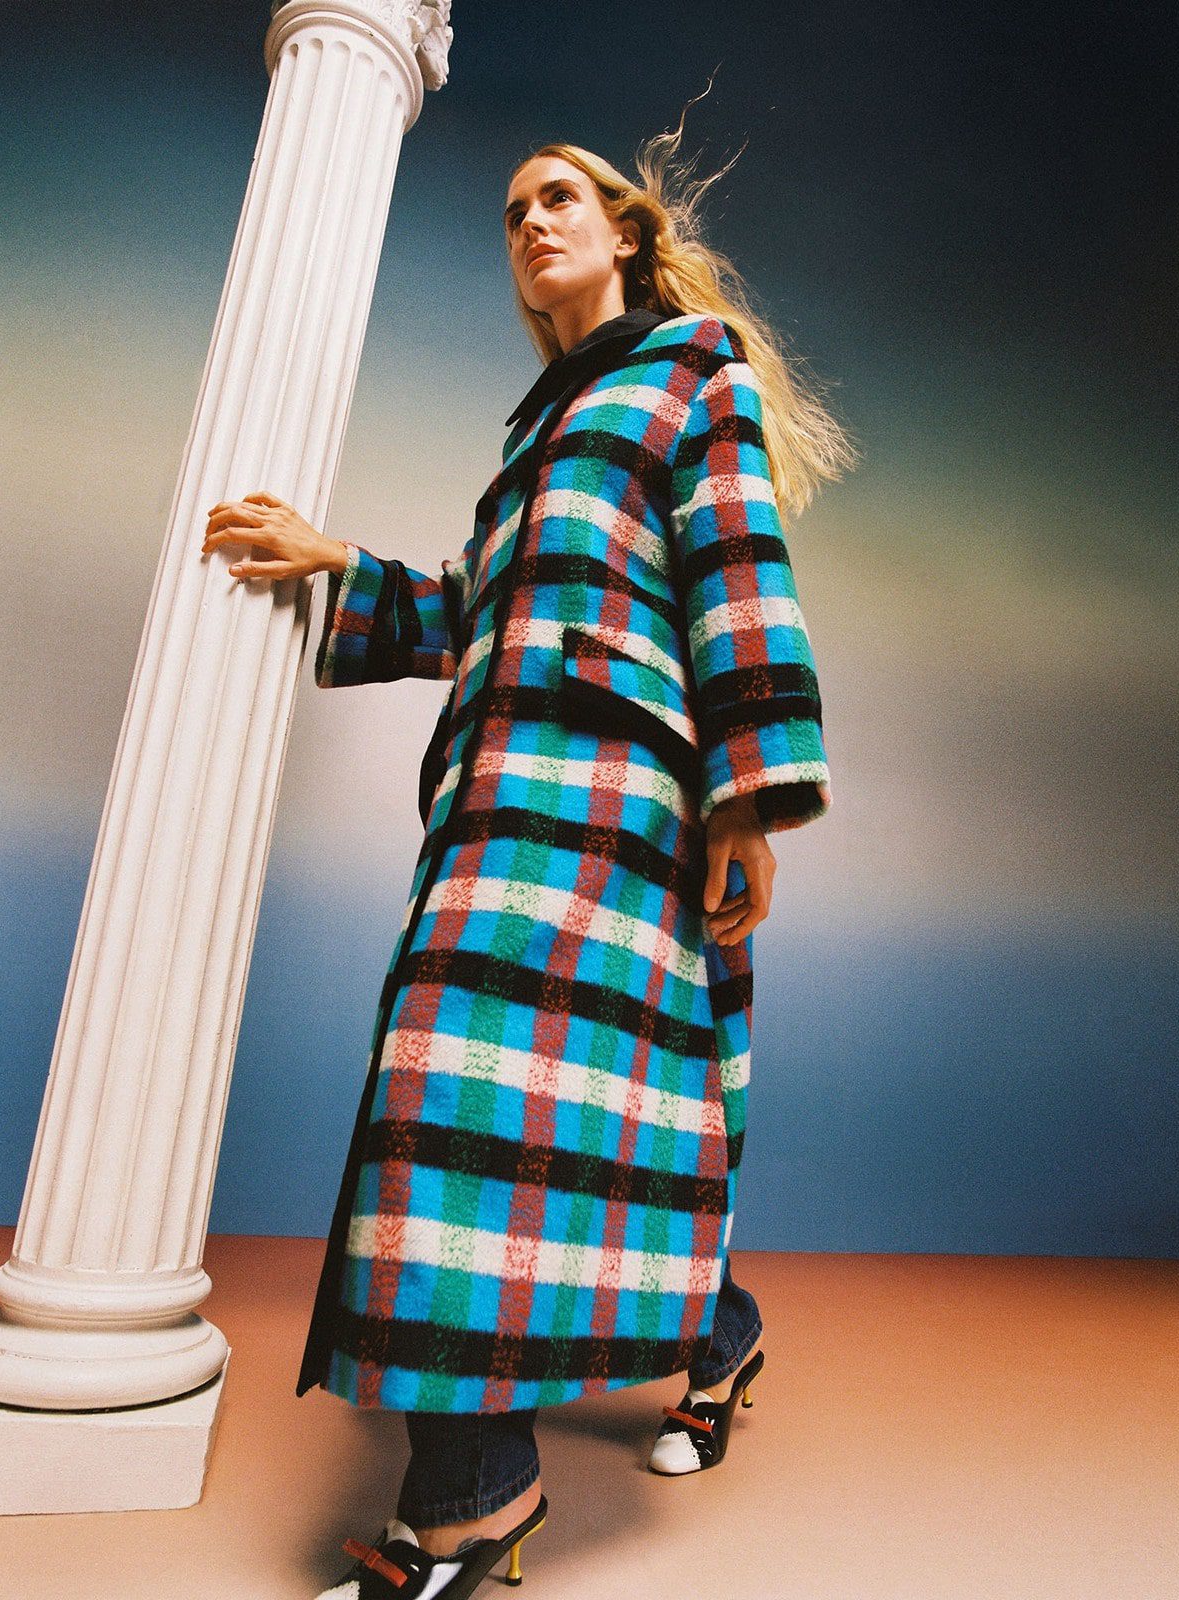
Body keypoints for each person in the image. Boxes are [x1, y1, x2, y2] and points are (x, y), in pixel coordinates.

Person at [202, 117, 856, 1597]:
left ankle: (470, 1505)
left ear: (624, 231)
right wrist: (337, 565)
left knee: (489, 1111)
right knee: (557, 1126)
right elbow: (488, 612)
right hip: (498, 806)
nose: (531, 223)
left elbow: (738, 568)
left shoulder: (688, 374)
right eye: (511, 212)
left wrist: (746, 801)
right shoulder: (532, 439)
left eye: (557, 197)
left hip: (621, 812)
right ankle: (717, 1335)